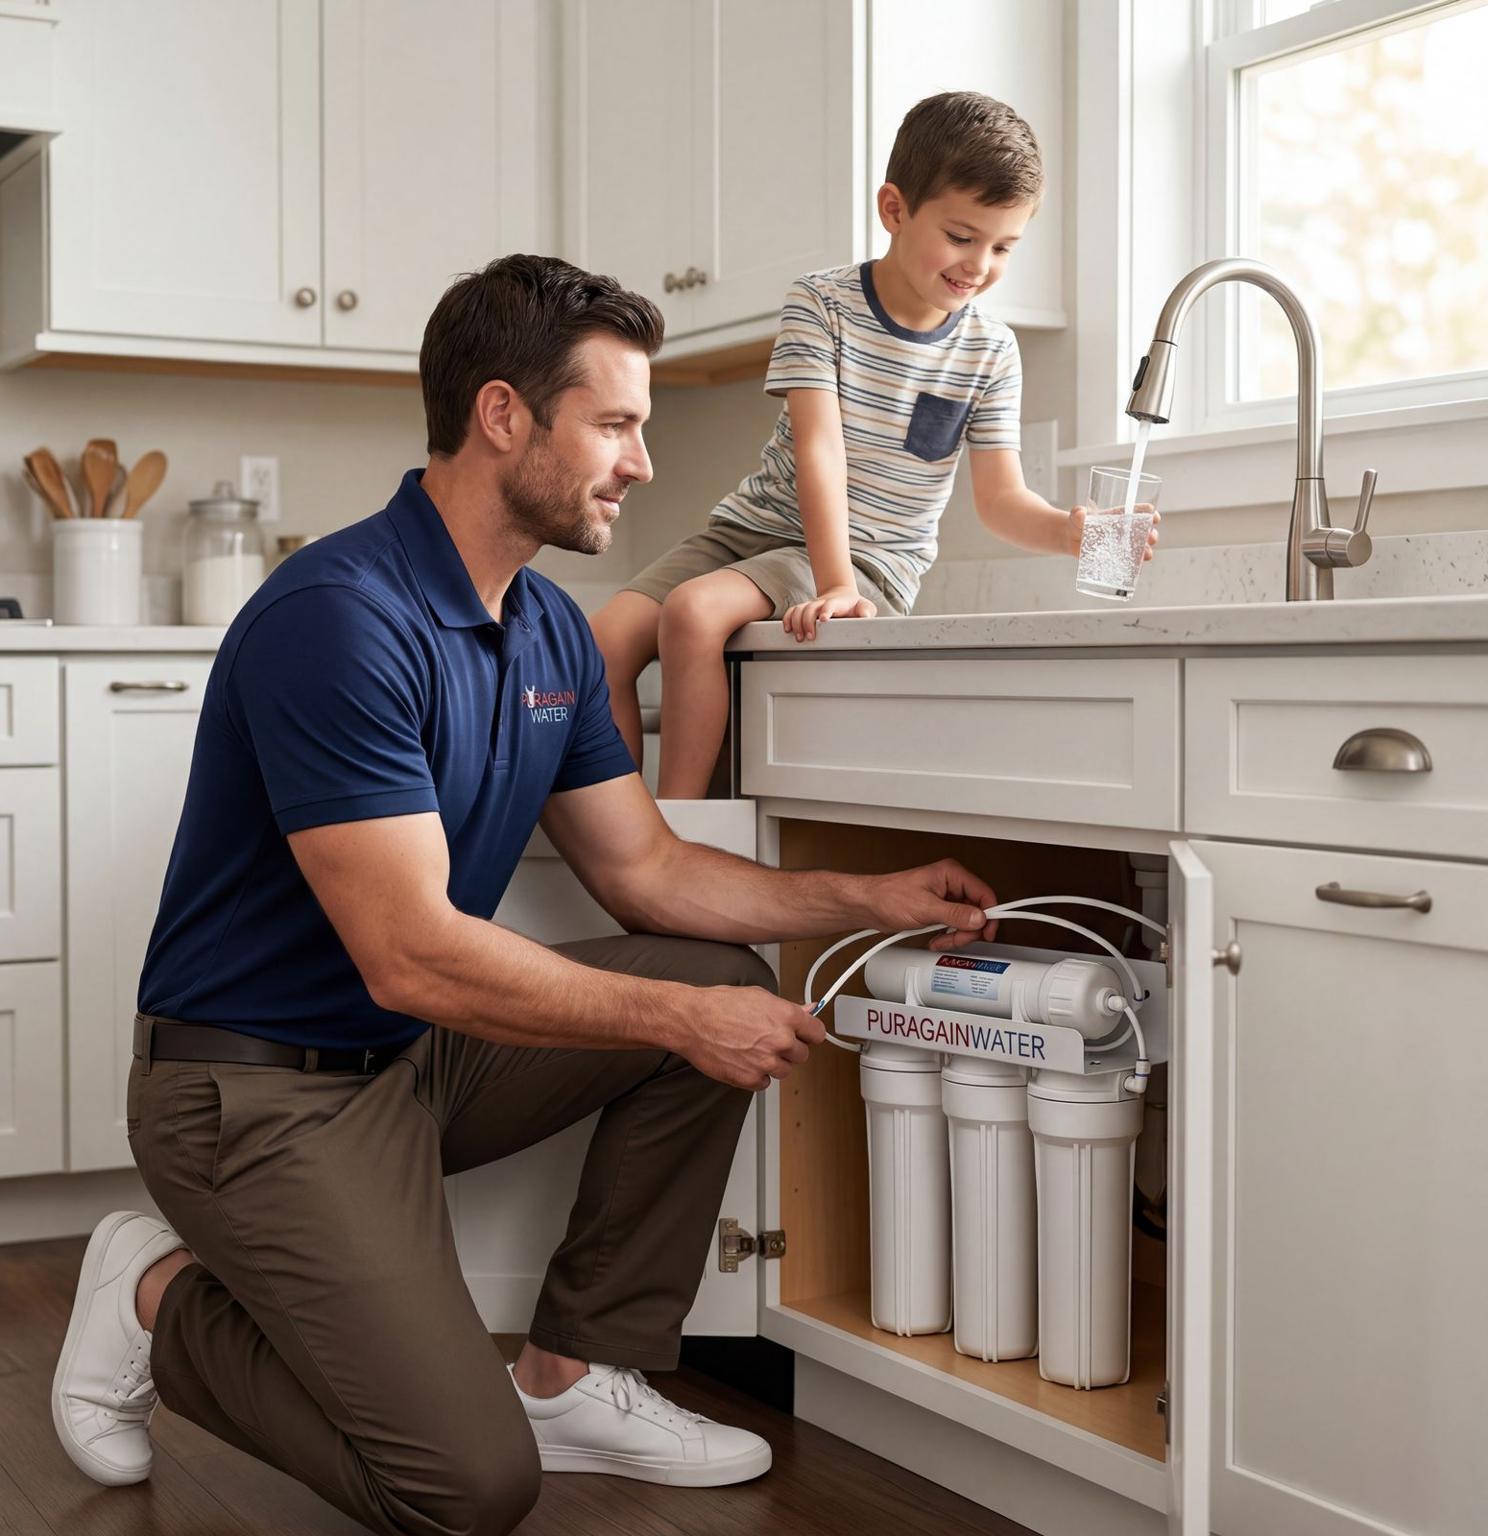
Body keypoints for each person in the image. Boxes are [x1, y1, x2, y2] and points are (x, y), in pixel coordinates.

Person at [49, 254, 1003, 1536]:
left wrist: (865, 896)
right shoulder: (338, 619)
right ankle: (154, 1290)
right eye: (614, 425)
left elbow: (646, 871)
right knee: (465, 1488)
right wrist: (673, 1024)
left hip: (405, 1064)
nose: (643, 463)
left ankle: (572, 1373)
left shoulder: (548, 627)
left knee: (720, 983)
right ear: (504, 416)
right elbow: (412, 956)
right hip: (251, 1092)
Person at [591, 90, 1159, 797]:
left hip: (867, 562)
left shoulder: (990, 352)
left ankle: (674, 832)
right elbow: (819, 452)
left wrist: (1071, 533)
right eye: (961, 236)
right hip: (751, 532)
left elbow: (1001, 501)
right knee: (601, 646)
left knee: (694, 612)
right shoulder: (822, 304)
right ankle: (623, 827)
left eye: (1004, 246)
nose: (979, 264)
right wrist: (825, 582)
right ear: (894, 209)